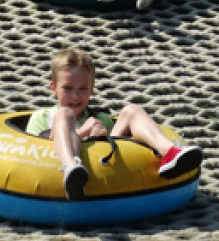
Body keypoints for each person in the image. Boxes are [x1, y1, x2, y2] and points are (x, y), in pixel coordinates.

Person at [26, 47, 203, 200]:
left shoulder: (101, 119)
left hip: (105, 178)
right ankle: (71, 168)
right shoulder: (42, 117)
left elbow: (114, 151)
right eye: (67, 88)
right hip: (56, 173)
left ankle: (170, 152)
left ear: (92, 89)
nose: (75, 96)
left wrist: (102, 138)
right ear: (54, 88)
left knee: (132, 110)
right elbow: (35, 152)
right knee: (64, 114)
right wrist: (82, 133)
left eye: (82, 89)